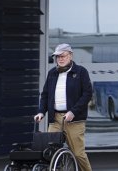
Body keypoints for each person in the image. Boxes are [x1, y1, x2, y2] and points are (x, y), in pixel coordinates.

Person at [34, 43, 93, 171]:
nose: (60, 59)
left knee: (78, 154)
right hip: (55, 118)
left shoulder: (81, 72)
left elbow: (87, 94)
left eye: (63, 56)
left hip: (74, 119)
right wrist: (41, 112)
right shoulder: (52, 73)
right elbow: (45, 95)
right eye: (57, 56)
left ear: (70, 56)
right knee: (49, 152)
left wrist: (73, 111)